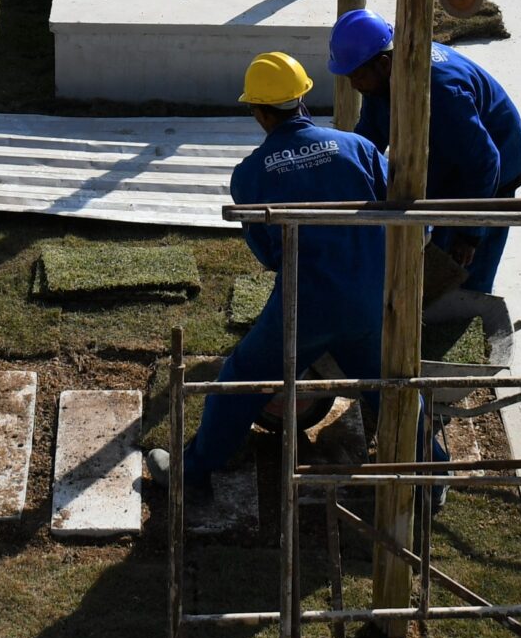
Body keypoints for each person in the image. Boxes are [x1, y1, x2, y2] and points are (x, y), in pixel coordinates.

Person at [147, 53, 388, 501]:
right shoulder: (359, 148)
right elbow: (405, 216)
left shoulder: (252, 174)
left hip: (306, 304)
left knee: (240, 380)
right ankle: (434, 477)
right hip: (369, 299)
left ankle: (190, 472)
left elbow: (268, 253)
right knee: (388, 387)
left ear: (257, 111)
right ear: (302, 97)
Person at [329, 9, 521, 297]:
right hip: (449, 154)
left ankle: (470, 303)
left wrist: (470, 234)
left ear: (384, 64)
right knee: (434, 239)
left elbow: (485, 164)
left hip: (495, 172)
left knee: (467, 268)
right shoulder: (380, 79)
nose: (353, 85)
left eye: (356, 76)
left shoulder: (442, 92)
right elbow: (368, 141)